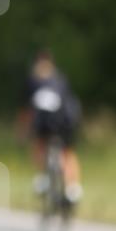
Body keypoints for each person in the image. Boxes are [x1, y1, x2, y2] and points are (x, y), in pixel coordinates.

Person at [19, 49, 83, 204]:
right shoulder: (61, 79)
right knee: (68, 153)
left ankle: (44, 177)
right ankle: (73, 188)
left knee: (39, 145)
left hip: (46, 124)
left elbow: (27, 111)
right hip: (66, 123)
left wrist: (23, 131)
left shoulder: (33, 81)